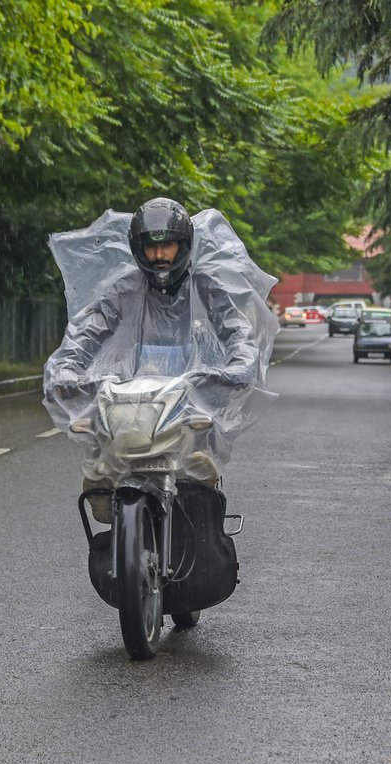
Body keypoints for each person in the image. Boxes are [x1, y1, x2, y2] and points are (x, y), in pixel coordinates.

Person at [43, 197, 263, 524]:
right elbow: (87, 330)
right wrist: (67, 369)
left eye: (169, 245)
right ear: (137, 248)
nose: (160, 255)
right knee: (100, 431)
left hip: (190, 394)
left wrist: (238, 366)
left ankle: (200, 477)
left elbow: (237, 329)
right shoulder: (123, 289)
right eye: (150, 247)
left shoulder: (205, 288)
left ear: (184, 245)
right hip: (128, 394)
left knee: (202, 456)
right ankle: (104, 475)